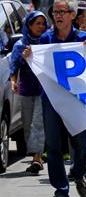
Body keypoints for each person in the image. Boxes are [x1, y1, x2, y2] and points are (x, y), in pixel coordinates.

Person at [26, 0, 86, 197]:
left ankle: (78, 172)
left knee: (80, 143)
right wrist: (30, 55)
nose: (57, 16)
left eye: (62, 12)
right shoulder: (46, 39)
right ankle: (61, 190)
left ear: (72, 15)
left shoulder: (83, 38)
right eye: (55, 12)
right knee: (54, 146)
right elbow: (39, 64)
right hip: (52, 100)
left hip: (76, 100)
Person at [9, 10, 48, 175]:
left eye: (43, 23)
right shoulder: (20, 45)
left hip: (44, 90)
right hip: (26, 90)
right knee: (27, 126)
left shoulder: (47, 43)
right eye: (37, 23)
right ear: (29, 25)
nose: (41, 27)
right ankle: (35, 155)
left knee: (38, 124)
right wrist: (13, 82)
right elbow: (14, 67)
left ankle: (37, 159)